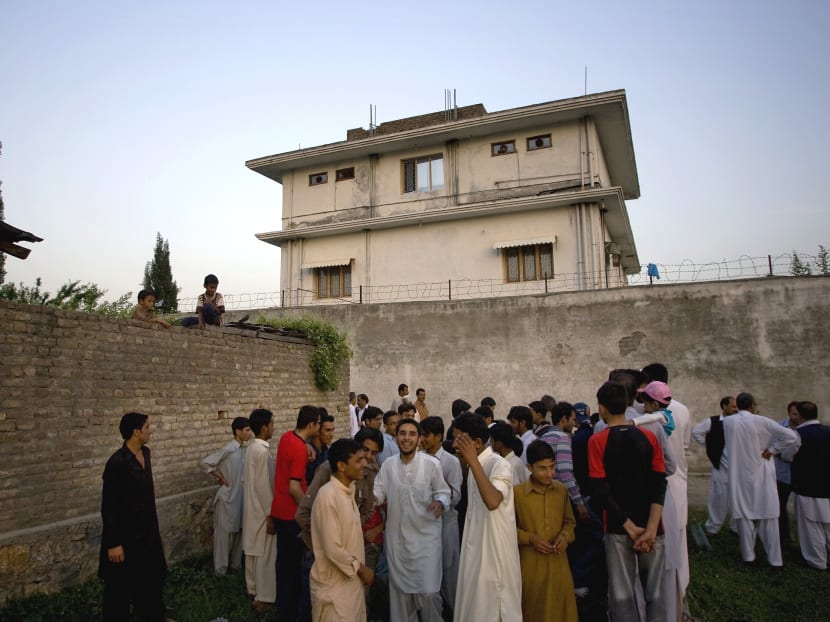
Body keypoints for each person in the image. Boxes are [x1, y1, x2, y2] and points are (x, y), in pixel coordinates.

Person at [589, 381, 668, 622]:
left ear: (602, 408)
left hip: (618, 527)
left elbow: (600, 490)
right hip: (653, 527)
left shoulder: (598, 441)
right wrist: (651, 528)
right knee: (656, 593)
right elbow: (660, 482)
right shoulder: (648, 435)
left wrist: (630, 527)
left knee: (621, 594)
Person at [374, 418, 450, 622]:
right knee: (400, 596)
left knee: (429, 593)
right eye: (402, 433)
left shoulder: (432, 464)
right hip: (397, 541)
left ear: (419, 439)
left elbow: (444, 492)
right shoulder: (388, 465)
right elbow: (378, 492)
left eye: (412, 434)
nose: (406, 438)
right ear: (396, 437)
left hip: (426, 541)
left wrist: (440, 503)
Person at [99, 412, 170, 622]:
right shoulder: (117, 463)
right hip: (125, 537)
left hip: (147, 533)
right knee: (119, 588)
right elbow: (109, 506)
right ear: (135, 432)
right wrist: (114, 543)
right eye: (147, 427)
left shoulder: (145, 453)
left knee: (153, 577)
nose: (151, 430)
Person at [452, 413, 522, 622]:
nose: (455, 444)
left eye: (460, 440)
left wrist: (472, 461)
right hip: (476, 554)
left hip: (494, 558)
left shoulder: (498, 465)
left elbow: (493, 501)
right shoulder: (476, 466)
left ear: (477, 442)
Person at [723, 392, 800, 567]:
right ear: (752, 406)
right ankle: (775, 559)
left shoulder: (728, 422)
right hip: (762, 469)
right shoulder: (763, 421)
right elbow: (791, 436)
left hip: (739, 473)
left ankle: (748, 556)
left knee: (744, 515)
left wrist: (772, 448)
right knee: (769, 515)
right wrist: (772, 449)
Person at [310, 439, 375, 622]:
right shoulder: (328, 496)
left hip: (350, 586)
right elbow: (332, 549)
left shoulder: (348, 491)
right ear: (341, 466)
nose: (364, 464)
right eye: (359, 460)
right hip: (333, 589)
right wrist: (361, 569)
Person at [515, 440, 578, 622]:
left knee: (562, 611)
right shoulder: (518, 494)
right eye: (543, 468)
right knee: (534, 611)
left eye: (552, 467)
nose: (549, 473)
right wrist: (531, 538)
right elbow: (507, 531)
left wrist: (564, 537)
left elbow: (570, 523)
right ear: (529, 467)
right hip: (531, 567)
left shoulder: (561, 491)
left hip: (559, 564)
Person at [271, 405, 321, 622]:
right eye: (318, 424)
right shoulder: (300, 449)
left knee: (283, 565)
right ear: (311, 425)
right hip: (292, 515)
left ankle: (283, 608)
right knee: (293, 569)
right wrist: (309, 513)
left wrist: (307, 445)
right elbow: (294, 488)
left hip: (279, 512)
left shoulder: (286, 437)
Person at [420, 416, 462, 619]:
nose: (422, 439)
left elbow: (456, 497)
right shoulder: (418, 459)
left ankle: (455, 613)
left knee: (449, 575)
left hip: (446, 526)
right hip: (425, 527)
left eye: (426, 435)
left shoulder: (451, 462)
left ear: (438, 436)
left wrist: (438, 476)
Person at [200, 416, 251, 576]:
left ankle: (235, 567)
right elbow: (205, 463)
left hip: (240, 500)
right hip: (227, 499)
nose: (250, 433)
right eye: (247, 430)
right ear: (237, 431)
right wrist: (219, 476)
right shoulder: (229, 449)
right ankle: (220, 572)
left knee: (239, 534)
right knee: (223, 538)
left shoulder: (246, 450)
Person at [784, 401, 830, 570]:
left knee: (810, 525)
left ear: (800, 415)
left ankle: (816, 560)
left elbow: (788, 456)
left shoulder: (797, 435)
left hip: (807, 486)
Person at [243, 408, 277, 611]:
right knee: (264, 555)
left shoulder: (250, 448)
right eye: (272, 424)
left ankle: (253, 589)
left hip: (252, 509)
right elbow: (264, 487)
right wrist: (270, 515)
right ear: (264, 427)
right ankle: (263, 597)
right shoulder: (262, 451)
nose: (273, 428)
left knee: (253, 552)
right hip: (262, 510)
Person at [691, 396, 737, 535]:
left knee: (738, 499)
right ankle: (713, 527)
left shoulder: (740, 422)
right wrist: (710, 445)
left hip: (738, 468)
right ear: (724, 406)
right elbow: (696, 432)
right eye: (733, 406)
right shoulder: (713, 421)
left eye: (737, 407)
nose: (736, 409)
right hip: (721, 467)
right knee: (718, 498)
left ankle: (736, 527)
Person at [538, 401, 589, 522]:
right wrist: (578, 501)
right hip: (563, 498)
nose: (574, 423)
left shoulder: (544, 437)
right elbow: (565, 472)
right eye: (572, 419)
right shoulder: (562, 438)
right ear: (563, 419)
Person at [774, 401, 801, 549]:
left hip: (800, 475)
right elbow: (771, 447)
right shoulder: (779, 427)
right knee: (780, 506)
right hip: (782, 473)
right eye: (794, 414)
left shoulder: (805, 429)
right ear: (789, 413)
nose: (796, 417)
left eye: (799, 414)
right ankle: (783, 536)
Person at [489, 420, 528, 485]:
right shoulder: (517, 460)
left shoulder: (509, 466)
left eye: (491, 440)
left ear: (499, 444)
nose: (490, 443)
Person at [307, 409, 335, 484]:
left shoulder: (327, 452)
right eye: (328, 430)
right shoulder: (307, 452)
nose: (332, 434)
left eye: (332, 430)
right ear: (317, 430)